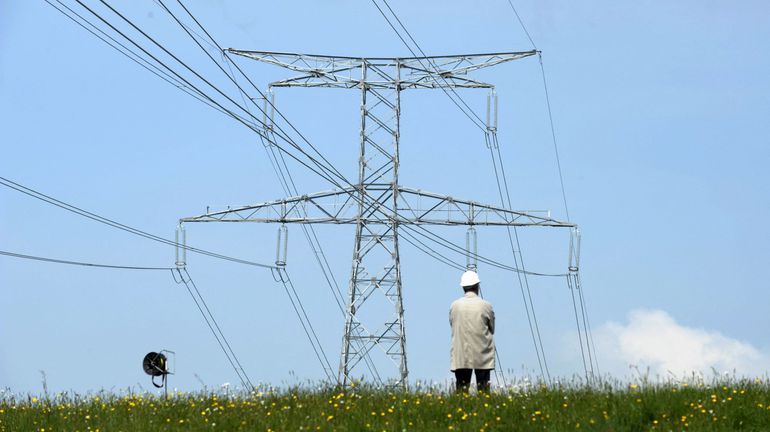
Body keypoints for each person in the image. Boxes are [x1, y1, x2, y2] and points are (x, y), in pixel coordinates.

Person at [449, 270, 495, 392]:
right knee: (484, 390)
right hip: (482, 353)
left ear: (463, 287)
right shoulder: (486, 305)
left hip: (461, 353)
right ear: (477, 286)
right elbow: (492, 328)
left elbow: (452, 324)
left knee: (461, 390)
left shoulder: (454, 306)